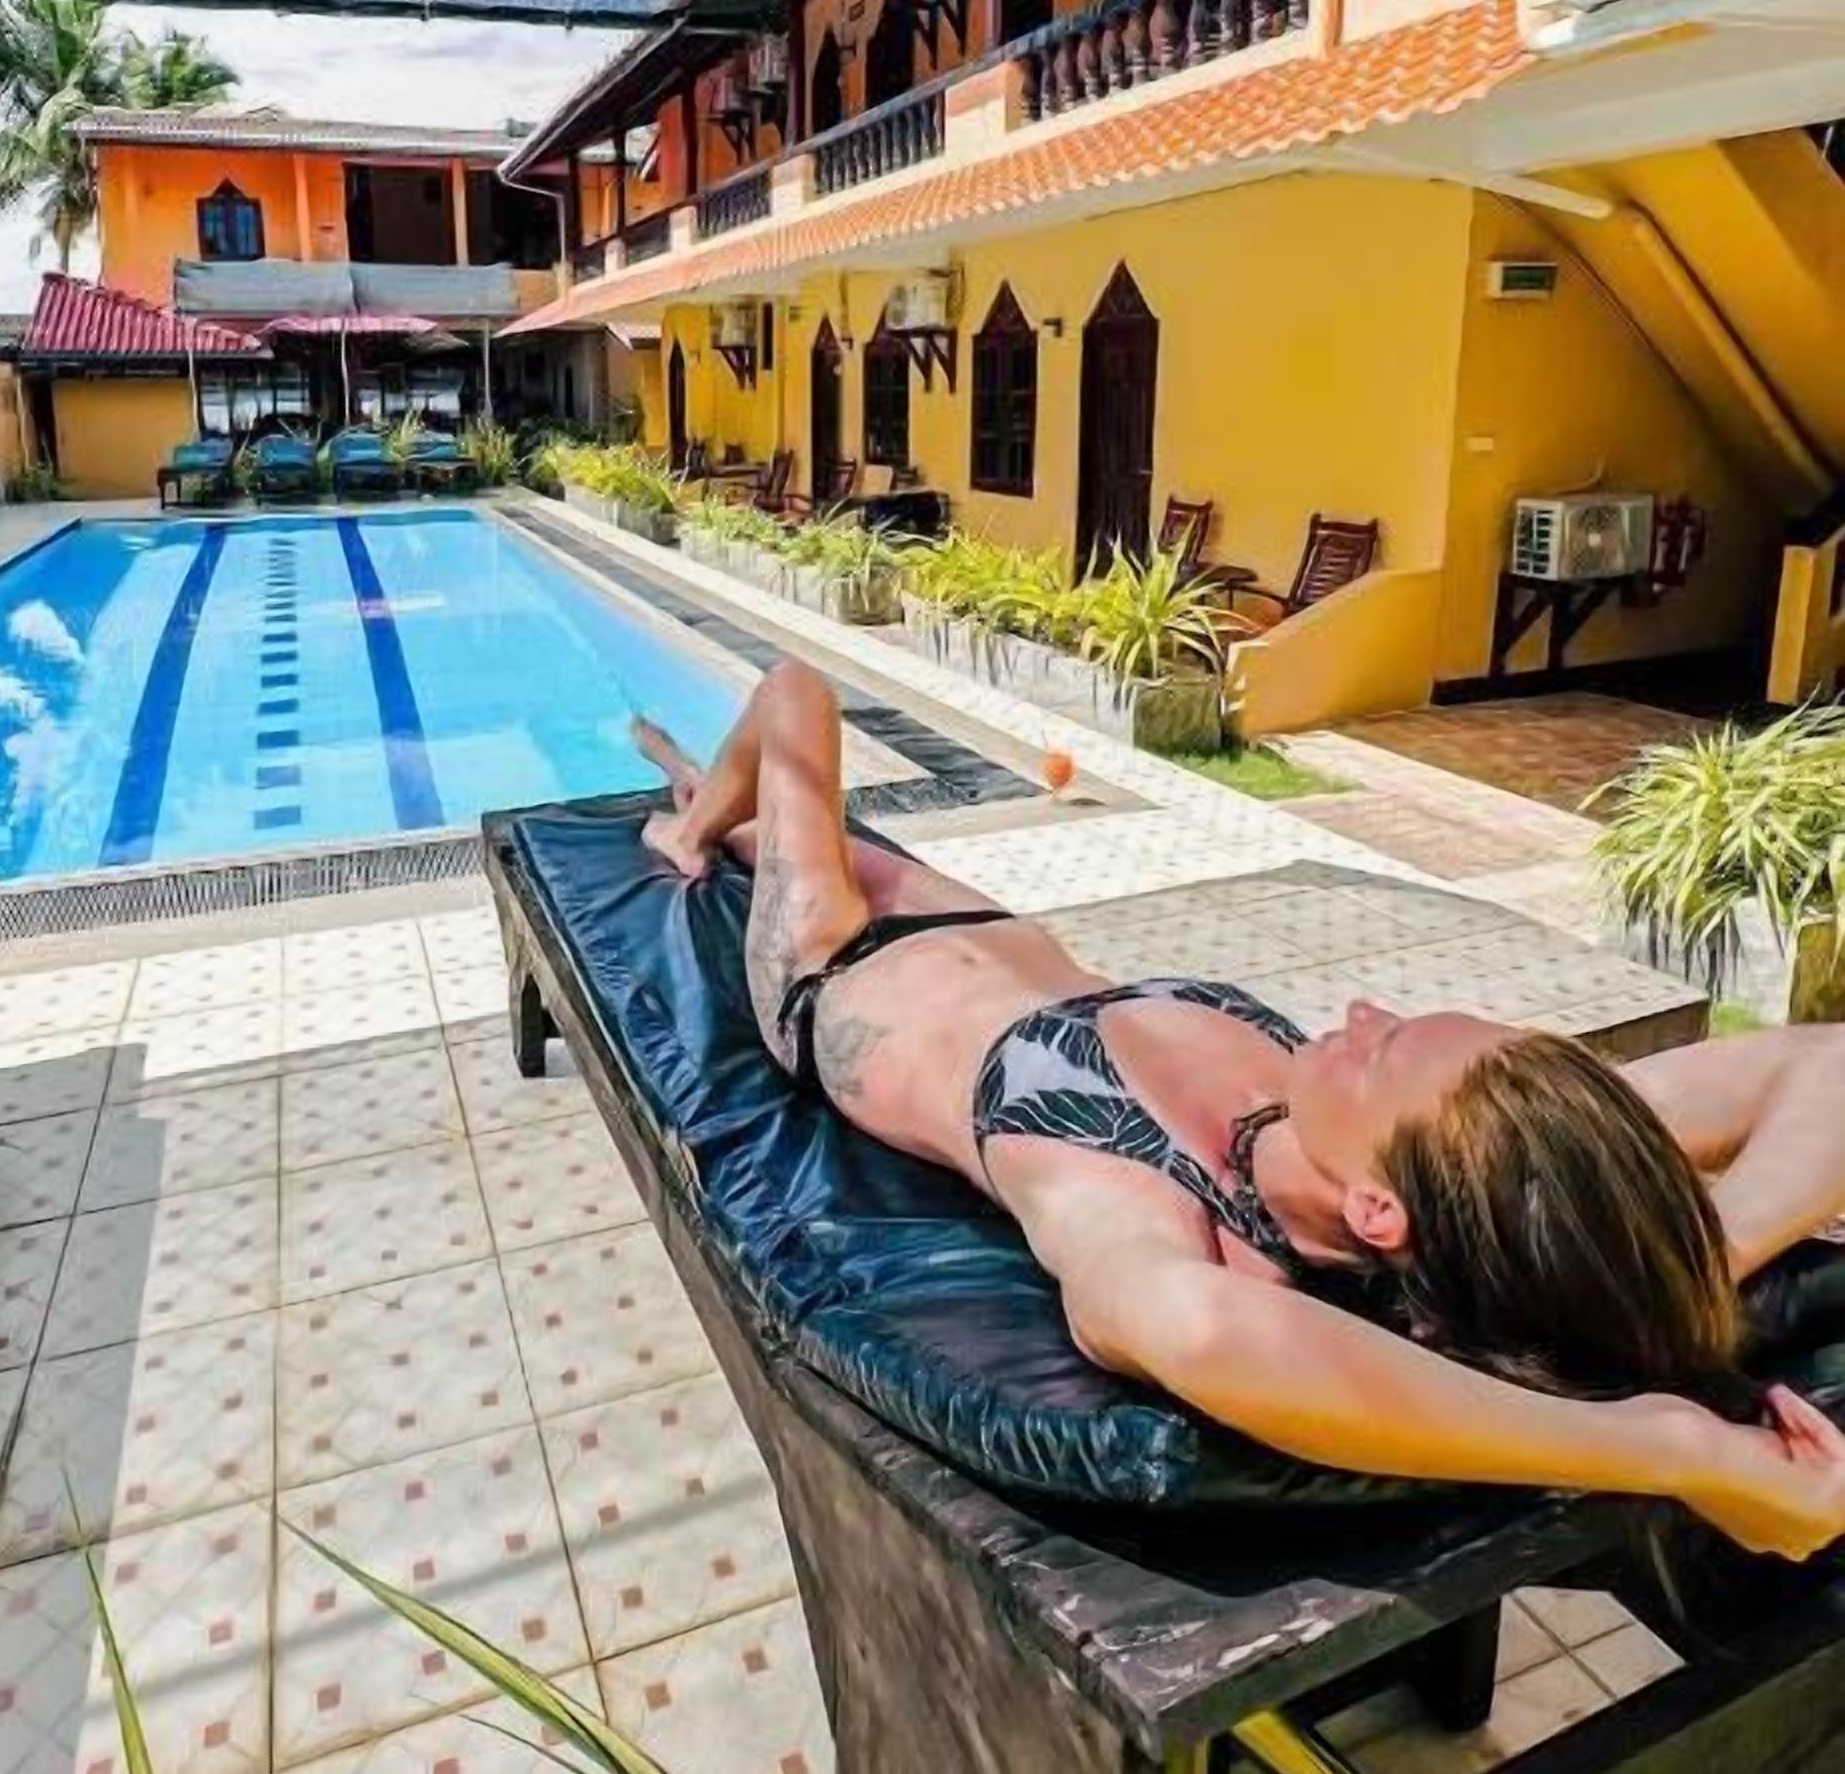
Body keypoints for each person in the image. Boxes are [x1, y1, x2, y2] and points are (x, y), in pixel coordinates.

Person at [632, 662, 1845, 1560]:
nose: (1360, 1010)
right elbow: (1830, 1063)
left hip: (835, 971)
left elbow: (1206, 1336)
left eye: (1380, 1051)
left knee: (795, 707)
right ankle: (707, 807)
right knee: (781, 793)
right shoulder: (1475, 1160)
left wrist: (1669, 1446)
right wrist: (1691, 1257)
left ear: (1378, 1212)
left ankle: (687, 826)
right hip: (1001, 944)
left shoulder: (1139, 1208)